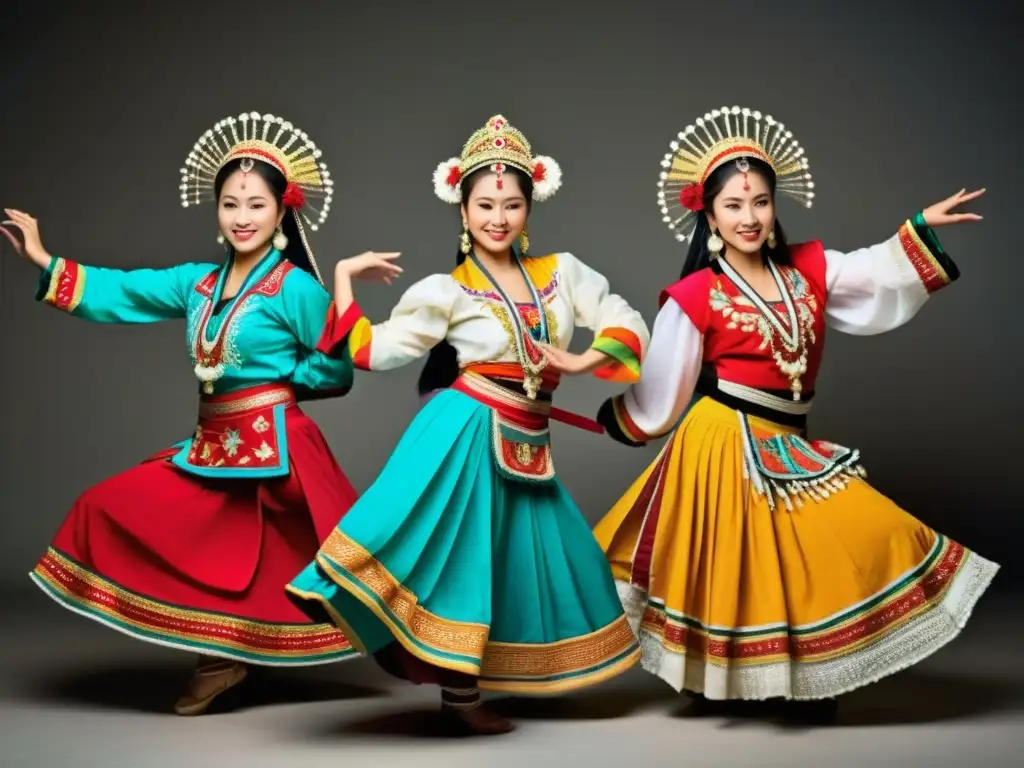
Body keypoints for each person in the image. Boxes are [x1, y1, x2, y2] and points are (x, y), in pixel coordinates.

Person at [591, 106, 999, 720]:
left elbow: (874, 270)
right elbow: (664, 391)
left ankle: (804, 678)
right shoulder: (694, 296)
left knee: (806, 559)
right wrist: (619, 416)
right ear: (708, 215)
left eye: (759, 202)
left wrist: (915, 229)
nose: (748, 217)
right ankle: (722, 680)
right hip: (722, 442)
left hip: (787, 438)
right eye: (733, 205)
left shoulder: (810, 268)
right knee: (730, 570)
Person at [1, 110, 401, 716]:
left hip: (274, 451)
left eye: (257, 205)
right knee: (125, 513)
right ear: (216, 211)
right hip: (212, 443)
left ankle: (224, 660)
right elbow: (124, 290)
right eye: (231, 204)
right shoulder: (199, 283)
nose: (242, 218)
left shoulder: (294, 287)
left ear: (280, 212)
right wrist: (46, 262)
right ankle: (224, 656)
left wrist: (278, 381)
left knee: (272, 562)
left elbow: (336, 369)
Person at [286, 114, 650, 735]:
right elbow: (375, 351)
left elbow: (623, 316)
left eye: (511, 204)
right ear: (462, 209)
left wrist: (586, 358)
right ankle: (460, 695)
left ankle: (507, 674)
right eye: (485, 204)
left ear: (529, 209)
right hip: (465, 433)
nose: (498, 218)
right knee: (463, 560)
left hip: (528, 440)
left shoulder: (563, 274)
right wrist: (343, 279)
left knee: (532, 559)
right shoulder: (447, 291)